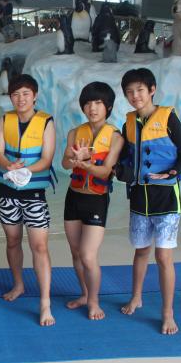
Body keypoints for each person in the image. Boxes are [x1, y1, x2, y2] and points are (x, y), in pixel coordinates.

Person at [115, 67, 181, 335]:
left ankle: (167, 313)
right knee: (140, 252)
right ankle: (136, 297)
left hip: (166, 197)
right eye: (129, 92)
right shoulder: (128, 123)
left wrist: (171, 173)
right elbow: (124, 160)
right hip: (139, 197)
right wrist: (117, 170)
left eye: (139, 90)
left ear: (152, 90)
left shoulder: (168, 117)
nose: (135, 96)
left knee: (163, 256)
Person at [0, 74, 56, 325]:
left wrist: (27, 171)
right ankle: (18, 284)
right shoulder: (4, 119)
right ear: (10, 97)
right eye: (16, 94)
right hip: (8, 190)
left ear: (35, 96)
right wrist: (9, 165)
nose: (21, 99)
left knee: (39, 246)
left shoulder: (46, 122)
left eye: (26, 94)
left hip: (34, 193)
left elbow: (47, 159)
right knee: (12, 241)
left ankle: (45, 302)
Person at [61, 82, 124, 320]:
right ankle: (85, 294)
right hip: (73, 197)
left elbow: (106, 172)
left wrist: (86, 163)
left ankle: (94, 301)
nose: (92, 108)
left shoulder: (115, 137)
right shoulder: (74, 133)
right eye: (88, 103)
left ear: (108, 107)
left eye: (98, 103)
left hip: (97, 200)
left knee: (88, 255)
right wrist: (74, 160)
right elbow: (64, 164)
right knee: (76, 253)